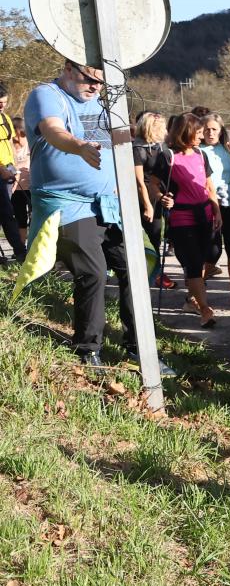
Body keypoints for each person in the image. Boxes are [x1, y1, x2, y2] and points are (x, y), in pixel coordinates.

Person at [24, 61, 149, 369]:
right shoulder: (47, 95)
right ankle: (87, 349)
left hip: (107, 203)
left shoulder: (105, 105)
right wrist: (79, 146)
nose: (95, 87)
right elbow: (52, 131)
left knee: (135, 267)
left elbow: (119, 146)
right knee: (93, 271)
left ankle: (139, 348)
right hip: (66, 203)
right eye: (89, 79)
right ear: (69, 69)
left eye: (101, 83)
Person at [152, 113, 222, 329]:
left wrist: (217, 210)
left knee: (211, 256)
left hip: (205, 214)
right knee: (192, 263)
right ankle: (204, 309)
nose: (202, 137)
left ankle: (193, 293)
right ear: (187, 133)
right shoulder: (168, 156)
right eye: (198, 133)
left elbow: (208, 186)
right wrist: (160, 197)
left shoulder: (201, 154)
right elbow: (153, 183)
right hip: (182, 217)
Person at [199, 113, 230, 307]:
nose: (210, 132)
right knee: (211, 250)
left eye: (214, 129)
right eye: (206, 129)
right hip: (208, 204)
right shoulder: (197, 151)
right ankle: (196, 291)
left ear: (221, 132)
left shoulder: (226, 150)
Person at [131, 110, 169, 287]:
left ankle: (156, 272)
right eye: (159, 126)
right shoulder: (137, 148)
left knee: (156, 235)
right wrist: (147, 204)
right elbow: (139, 181)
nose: (163, 129)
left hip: (158, 194)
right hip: (142, 195)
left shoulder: (160, 146)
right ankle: (148, 274)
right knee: (147, 235)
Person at [0, 86, 25, 261]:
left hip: (8, 171)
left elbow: (9, 144)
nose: (2, 105)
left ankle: (19, 251)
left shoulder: (6, 118)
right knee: (7, 212)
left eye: (4, 102)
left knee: (6, 212)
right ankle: (20, 252)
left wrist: (13, 168)